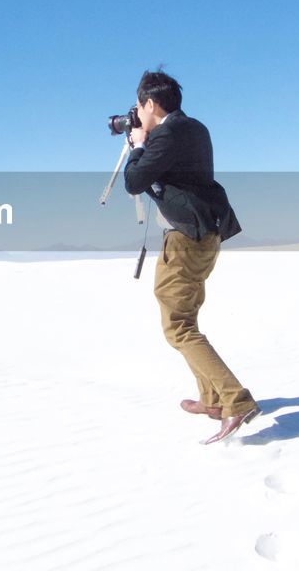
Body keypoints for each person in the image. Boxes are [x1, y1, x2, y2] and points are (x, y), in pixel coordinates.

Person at [123, 69, 261, 444]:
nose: (136, 113)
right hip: (207, 234)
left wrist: (138, 145)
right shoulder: (196, 129)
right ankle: (211, 398)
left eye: (139, 106)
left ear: (151, 103)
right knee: (187, 318)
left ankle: (235, 400)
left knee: (178, 327)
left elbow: (133, 181)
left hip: (185, 240)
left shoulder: (166, 135)